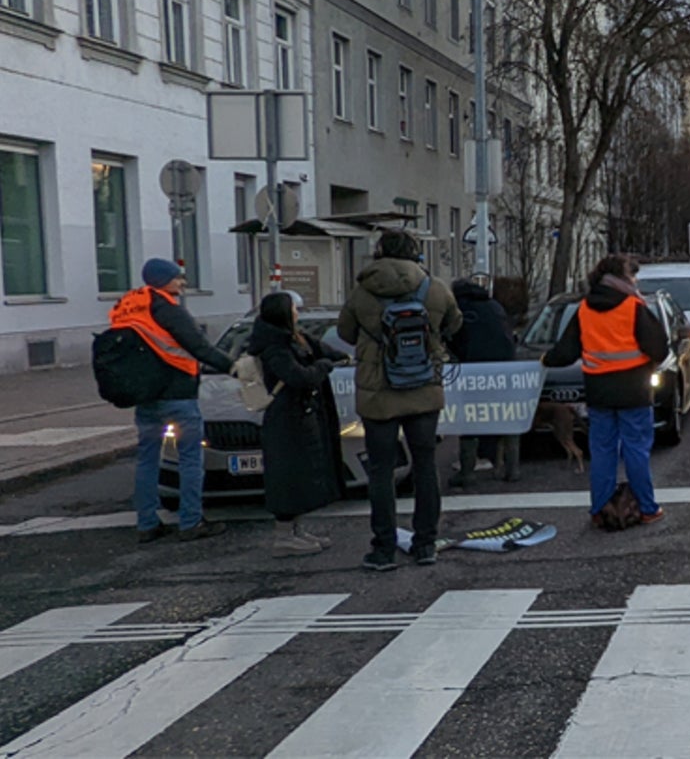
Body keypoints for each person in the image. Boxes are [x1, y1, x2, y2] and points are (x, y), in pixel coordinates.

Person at [338, 230, 462, 571]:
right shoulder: (434, 287)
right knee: (425, 465)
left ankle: (382, 549)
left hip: (378, 393)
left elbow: (345, 333)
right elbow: (454, 324)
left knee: (380, 471)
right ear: (415, 253)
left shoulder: (362, 292)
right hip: (423, 389)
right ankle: (425, 544)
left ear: (379, 252)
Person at [110, 258, 236, 543]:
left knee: (147, 460)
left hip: (145, 397)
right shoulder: (169, 309)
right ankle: (191, 521)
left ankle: (147, 524)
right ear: (162, 280)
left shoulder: (127, 308)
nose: (182, 283)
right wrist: (232, 366)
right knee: (191, 459)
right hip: (177, 395)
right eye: (177, 277)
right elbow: (198, 346)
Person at [543, 254, 670, 527]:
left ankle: (600, 508)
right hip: (633, 390)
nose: (635, 279)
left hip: (599, 392)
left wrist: (545, 360)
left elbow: (565, 352)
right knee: (636, 450)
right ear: (622, 278)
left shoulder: (584, 309)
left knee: (602, 452)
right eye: (631, 275)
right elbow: (659, 348)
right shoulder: (633, 307)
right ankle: (647, 508)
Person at [247, 291, 346, 557]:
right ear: (282, 313)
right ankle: (284, 536)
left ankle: (296, 529)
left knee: (301, 473)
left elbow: (319, 349)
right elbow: (299, 377)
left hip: (299, 414)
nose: (296, 313)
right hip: (285, 417)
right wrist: (325, 366)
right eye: (293, 309)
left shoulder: (292, 338)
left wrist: (338, 356)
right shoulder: (274, 346)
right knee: (287, 474)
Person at [447, 277, 518, 487]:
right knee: (507, 418)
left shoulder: (460, 309)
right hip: (504, 370)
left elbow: (454, 338)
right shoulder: (494, 306)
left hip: (474, 371)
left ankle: (467, 472)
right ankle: (512, 469)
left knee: (470, 420)